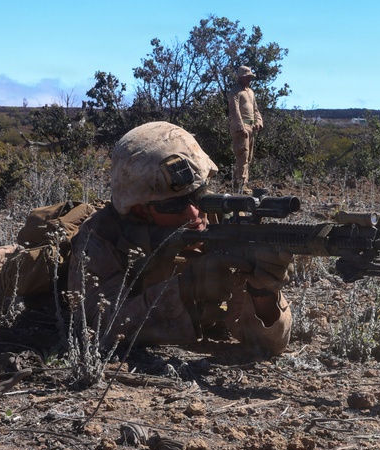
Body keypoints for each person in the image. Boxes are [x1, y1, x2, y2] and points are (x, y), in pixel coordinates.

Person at [68, 121, 293, 356]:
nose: (194, 213)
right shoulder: (99, 236)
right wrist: (186, 287)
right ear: (140, 210)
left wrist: (263, 294)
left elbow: (268, 345)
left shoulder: (223, 220)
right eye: (174, 206)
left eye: (199, 196)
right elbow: (96, 324)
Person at [228, 65, 264, 194]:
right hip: (241, 129)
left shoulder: (250, 92)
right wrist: (240, 127)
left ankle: (244, 184)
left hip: (251, 128)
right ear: (241, 77)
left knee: (249, 158)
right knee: (242, 156)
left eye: (250, 77)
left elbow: (255, 109)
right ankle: (239, 186)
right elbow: (234, 110)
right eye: (247, 77)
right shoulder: (235, 92)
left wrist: (258, 122)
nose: (249, 80)